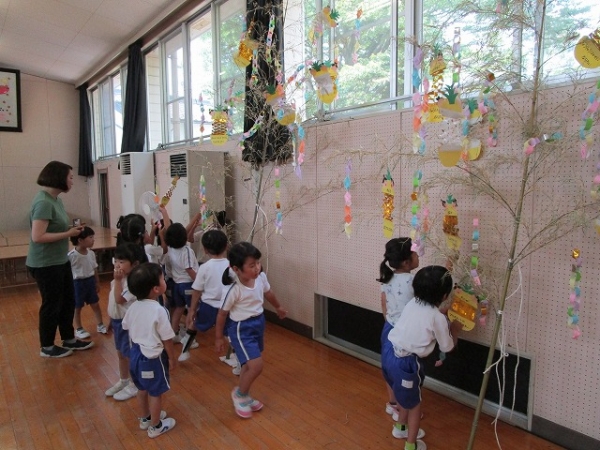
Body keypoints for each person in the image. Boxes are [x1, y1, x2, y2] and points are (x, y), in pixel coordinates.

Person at [382, 265, 462, 450]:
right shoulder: (437, 318)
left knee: (405, 397)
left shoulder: (413, 303)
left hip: (389, 353)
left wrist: (442, 313)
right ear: (444, 296)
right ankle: (411, 445)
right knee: (415, 405)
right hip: (406, 364)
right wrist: (455, 330)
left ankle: (400, 428)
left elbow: (426, 318)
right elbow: (447, 347)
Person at [26, 161, 94, 358]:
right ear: (59, 178)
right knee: (52, 304)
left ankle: (69, 339)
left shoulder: (56, 200)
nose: (72, 181)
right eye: (70, 177)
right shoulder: (44, 202)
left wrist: (72, 230)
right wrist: (68, 234)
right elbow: (38, 236)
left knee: (67, 301)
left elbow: (55, 227)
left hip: (59, 260)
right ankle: (47, 346)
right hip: (45, 263)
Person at [215, 242, 287, 419]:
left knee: (248, 365)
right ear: (236, 269)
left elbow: (268, 293)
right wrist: (218, 337)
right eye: (252, 265)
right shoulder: (234, 289)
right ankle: (239, 394)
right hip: (241, 329)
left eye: (258, 263)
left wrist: (278, 307)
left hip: (258, 323)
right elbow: (222, 314)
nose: (257, 268)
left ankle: (245, 395)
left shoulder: (260, 278)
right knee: (256, 365)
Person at [122, 263, 177, 438]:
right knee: (155, 392)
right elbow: (167, 338)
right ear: (156, 289)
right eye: (162, 278)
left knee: (141, 388)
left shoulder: (132, 306)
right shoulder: (159, 310)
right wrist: (172, 358)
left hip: (135, 354)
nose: (164, 280)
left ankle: (145, 418)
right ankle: (156, 426)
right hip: (152, 357)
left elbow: (125, 326)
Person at [377, 237, 419, 421]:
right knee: (405, 372)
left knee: (389, 368)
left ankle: (393, 404)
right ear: (406, 262)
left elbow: (383, 303)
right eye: (415, 252)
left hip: (389, 328)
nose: (418, 255)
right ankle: (405, 410)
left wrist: (389, 322)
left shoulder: (388, 277)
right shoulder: (413, 280)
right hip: (405, 332)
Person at [105, 243, 146, 401]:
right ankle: (124, 380)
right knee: (121, 354)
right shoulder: (118, 279)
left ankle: (134, 384)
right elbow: (112, 302)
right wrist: (110, 319)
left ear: (134, 264)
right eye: (116, 261)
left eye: (122, 262)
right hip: (117, 321)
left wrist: (117, 280)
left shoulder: (132, 282)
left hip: (127, 324)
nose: (117, 265)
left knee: (129, 355)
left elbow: (119, 299)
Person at [181, 229, 230, 362]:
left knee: (193, 324)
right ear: (226, 246)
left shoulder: (204, 268)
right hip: (227, 306)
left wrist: (192, 310)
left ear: (205, 250)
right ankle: (238, 360)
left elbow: (197, 290)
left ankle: (185, 351)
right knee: (230, 333)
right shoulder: (231, 266)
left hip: (208, 306)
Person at [68, 226, 107, 338]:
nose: (93, 240)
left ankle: (100, 324)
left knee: (95, 304)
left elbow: (94, 269)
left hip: (90, 282)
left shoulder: (91, 253)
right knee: (77, 307)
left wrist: (97, 282)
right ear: (80, 240)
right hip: (77, 283)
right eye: (90, 237)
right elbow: (67, 273)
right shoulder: (71, 256)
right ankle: (79, 328)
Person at [164, 223, 199, 341]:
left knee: (179, 309)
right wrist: (199, 282)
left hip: (177, 285)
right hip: (188, 284)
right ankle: (190, 340)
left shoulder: (170, 249)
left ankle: (174, 334)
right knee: (191, 311)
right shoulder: (186, 250)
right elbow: (189, 269)